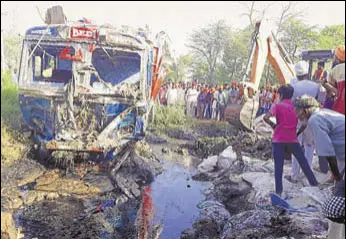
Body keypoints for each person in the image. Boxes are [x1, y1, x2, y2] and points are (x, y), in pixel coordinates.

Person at [263, 85, 319, 196]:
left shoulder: (277, 106)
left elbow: (265, 117)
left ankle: (279, 192)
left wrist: (274, 126)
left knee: (278, 167)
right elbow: (304, 124)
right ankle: (315, 186)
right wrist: (297, 133)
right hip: (292, 139)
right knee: (303, 163)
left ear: (281, 95)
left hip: (278, 139)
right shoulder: (296, 106)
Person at [293, 95, 345, 183]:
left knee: (341, 189)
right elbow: (304, 125)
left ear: (305, 111)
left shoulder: (315, 119)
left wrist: (337, 178)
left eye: (298, 111)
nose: (297, 116)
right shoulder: (320, 113)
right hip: (342, 154)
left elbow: (329, 154)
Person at [287, 61, 320, 183]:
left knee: (296, 146)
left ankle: (294, 175)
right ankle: (307, 174)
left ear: (297, 74)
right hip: (311, 118)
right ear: (307, 72)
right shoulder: (315, 86)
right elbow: (319, 102)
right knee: (310, 146)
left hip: (297, 119)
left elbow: (291, 104)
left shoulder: (294, 87)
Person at [322, 45, 345, 115]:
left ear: (337, 58)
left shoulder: (335, 70)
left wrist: (325, 84)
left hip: (340, 109)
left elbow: (331, 93)